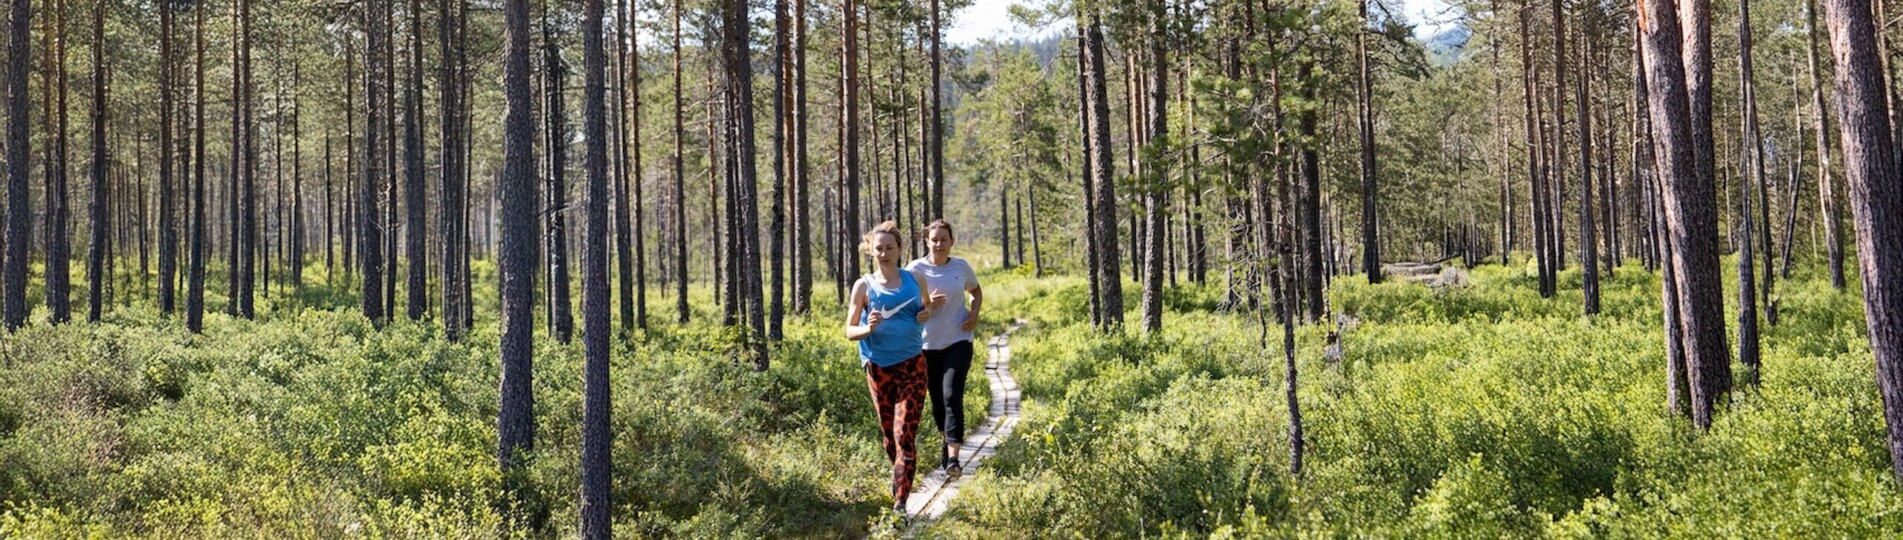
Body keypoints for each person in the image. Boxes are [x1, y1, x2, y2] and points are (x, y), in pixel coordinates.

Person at [845, 220, 948, 516]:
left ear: (900, 249)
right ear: (871, 251)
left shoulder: (916, 280)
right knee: (890, 438)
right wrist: (867, 328)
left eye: (890, 247)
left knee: (904, 433)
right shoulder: (864, 285)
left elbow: (925, 308)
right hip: (878, 368)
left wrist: (927, 313)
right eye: (879, 248)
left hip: (913, 365)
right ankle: (900, 474)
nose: (884, 253)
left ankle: (900, 503)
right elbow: (849, 330)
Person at [905, 220, 983, 480]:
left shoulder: (961, 267)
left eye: (943, 239)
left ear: (952, 241)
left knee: (952, 396)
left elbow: (976, 290)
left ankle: (953, 459)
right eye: (934, 239)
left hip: (958, 341)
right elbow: (905, 305)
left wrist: (974, 311)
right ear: (926, 241)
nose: (939, 244)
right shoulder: (915, 269)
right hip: (926, 346)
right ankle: (946, 440)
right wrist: (927, 304)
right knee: (938, 402)